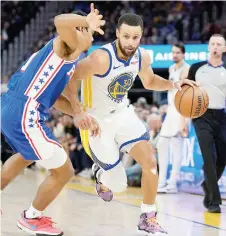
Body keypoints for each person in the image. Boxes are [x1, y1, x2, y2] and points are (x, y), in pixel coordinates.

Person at [71, 13, 197, 235]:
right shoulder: (101, 58)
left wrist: (174, 84)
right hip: (96, 121)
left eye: (135, 37)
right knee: (119, 185)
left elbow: (149, 81)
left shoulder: (141, 56)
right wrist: (78, 111)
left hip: (122, 113)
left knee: (150, 162)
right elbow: (70, 79)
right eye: (126, 36)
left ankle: (148, 217)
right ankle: (101, 174)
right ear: (117, 33)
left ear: (141, 37)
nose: (130, 42)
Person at [1, 4, 104, 235]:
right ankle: (31, 217)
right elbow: (59, 20)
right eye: (86, 30)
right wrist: (86, 22)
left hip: (14, 108)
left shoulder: (68, 59)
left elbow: (56, 98)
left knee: (26, 156)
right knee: (64, 171)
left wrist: (79, 113)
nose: (90, 35)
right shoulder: (63, 44)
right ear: (77, 29)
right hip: (23, 112)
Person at [187, 34, 226, 213]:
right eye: (213, 44)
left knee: (222, 159)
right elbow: (186, 94)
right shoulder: (196, 68)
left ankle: (207, 185)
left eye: (219, 44)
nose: (216, 47)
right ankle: (214, 201)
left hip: (222, 116)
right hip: (201, 115)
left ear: (224, 49)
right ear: (208, 47)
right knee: (209, 157)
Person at [157, 43, 190, 193]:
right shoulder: (171, 68)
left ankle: (173, 183)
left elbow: (185, 94)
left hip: (181, 110)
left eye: (178, 52)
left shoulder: (187, 69)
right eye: (173, 52)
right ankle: (162, 181)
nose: (175, 55)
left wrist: (185, 119)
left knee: (177, 147)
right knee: (162, 144)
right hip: (171, 111)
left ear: (183, 54)